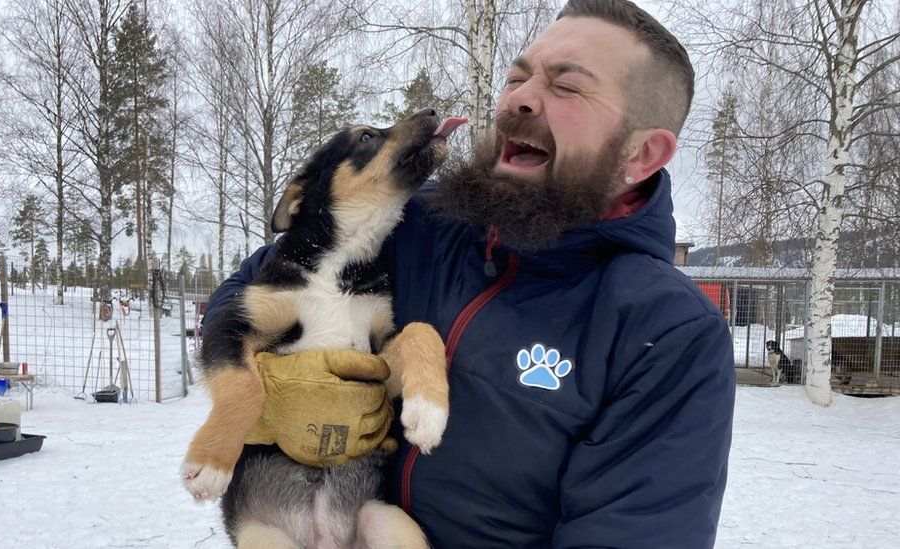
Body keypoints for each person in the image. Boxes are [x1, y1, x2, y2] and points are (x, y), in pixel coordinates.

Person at [202, 0, 736, 546]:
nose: (520, 98)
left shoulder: (669, 332)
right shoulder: (415, 222)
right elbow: (251, 284)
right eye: (517, 77)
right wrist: (269, 386)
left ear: (643, 153)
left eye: (567, 87)